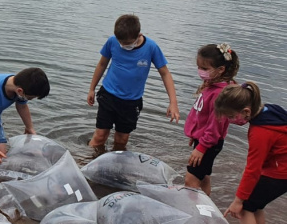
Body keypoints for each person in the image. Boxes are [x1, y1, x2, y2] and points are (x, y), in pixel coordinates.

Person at [87, 14, 180, 151]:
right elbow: (102, 64)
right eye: (121, 43)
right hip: (108, 95)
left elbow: (165, 73)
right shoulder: (112, 41)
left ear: (139, 35)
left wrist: (173, 102)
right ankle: (87, 163)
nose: (124, 46)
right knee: (100, 136)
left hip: (131, 101)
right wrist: (91, 88)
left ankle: (114, 166)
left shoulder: (151, 47)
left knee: (121, 140)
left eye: (128, 43)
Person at [218, 82, 287, 224]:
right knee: (257, 204)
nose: (230, 121)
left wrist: (237, 201)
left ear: (246, 112)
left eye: (231, 116)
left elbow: (252, 169)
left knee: (247, 207)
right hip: (281, 166)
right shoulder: (270, 110)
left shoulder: (260, 132)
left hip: (281, 172)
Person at [184, 43, 240, 194]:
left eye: (204, 69)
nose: (200, 72)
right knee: (204, 178)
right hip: (204, 140)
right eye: (199, 67)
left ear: (221, 69)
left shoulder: (219, 94)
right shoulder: (211, 85)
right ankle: (207, 207)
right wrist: (195, 134)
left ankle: (196, 214)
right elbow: (201, 114)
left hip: (208, 144)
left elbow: (214, 127)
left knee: (191, 181)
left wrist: (201, 147)